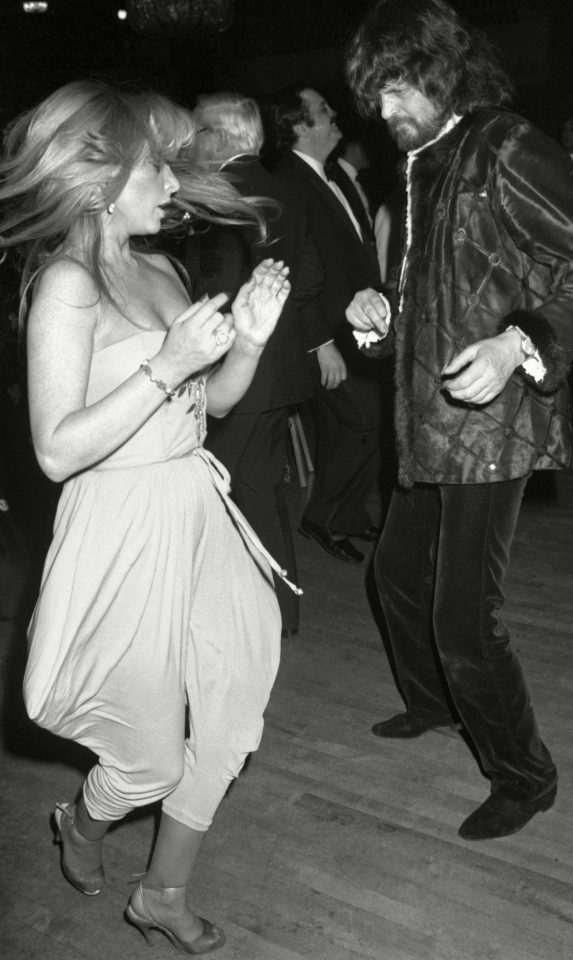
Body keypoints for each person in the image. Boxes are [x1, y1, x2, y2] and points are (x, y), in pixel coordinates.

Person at [0, 79, 292, 955]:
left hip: (195, 504)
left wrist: (246, 338)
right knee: (149, 761)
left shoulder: (163, 268)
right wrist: (165, 366)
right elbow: (56, 450)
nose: (173, 183)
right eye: (156, 167)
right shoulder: (66, 286)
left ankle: (161, 893)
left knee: (236, 706)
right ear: (98, 181)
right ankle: (82, 824)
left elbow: (213, 406)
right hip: (121, 526)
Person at [344, 0, 573, 841]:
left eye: (394, 88)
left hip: (491, 426)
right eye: (373, 96)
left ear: (440, 75)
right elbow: (439, 293)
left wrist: (522, 341)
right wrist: (379, 318)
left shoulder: (503, 145)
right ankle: (436, 705)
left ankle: (525, 775)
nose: (382, 111)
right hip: (426, 419)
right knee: (394, 575)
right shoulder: (420, 162)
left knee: (464, 618)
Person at [185, 91, 322, 638]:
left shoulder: (217, 193)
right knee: (260, 491)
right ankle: (279, 614)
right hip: (281, 368)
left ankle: (256, 619)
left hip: (240, 373)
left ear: (217, 137)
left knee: (228, 492)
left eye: (196, 132)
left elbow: (209, 288)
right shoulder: (288, 184)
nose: (189, 143)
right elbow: (310, 277)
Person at [268, 86, 385, 564]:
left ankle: (348, 514)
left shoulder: (332, 173)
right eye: (322, 111)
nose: (334, 114)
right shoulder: (290, 182)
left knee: (365, 424)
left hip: (359, 328)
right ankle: (322, 515)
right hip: (325, 335)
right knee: (364, 421)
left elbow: (357, 255)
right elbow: (295, 271)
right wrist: (319, 343)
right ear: (299, 125)